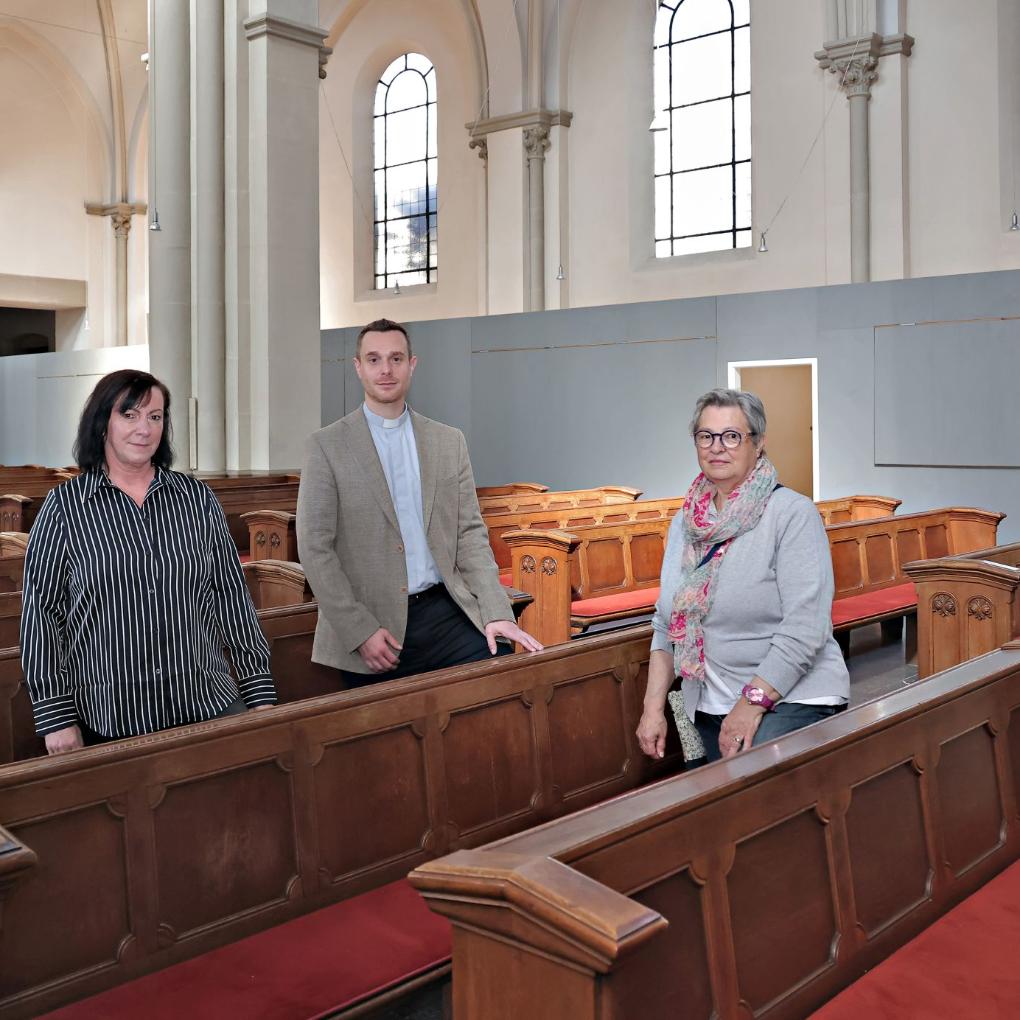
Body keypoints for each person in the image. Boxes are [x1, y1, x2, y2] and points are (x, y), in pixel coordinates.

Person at [20, 370, 277, 755]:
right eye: (130, 415)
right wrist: (55, 716)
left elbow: (231, 597)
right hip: (109, 717)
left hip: (206, 702)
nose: (144, 428)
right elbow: (42, 613)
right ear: (102, 423)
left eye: (155, 417)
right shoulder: (64, 508)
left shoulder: (196, 499)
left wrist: (258, 690)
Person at [296, 318, 541, 685]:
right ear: (358, 367)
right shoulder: (326, 446)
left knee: (501, 685)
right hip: (374, 626)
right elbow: (315, 549)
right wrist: (358, 630)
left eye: (396, 359)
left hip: (446, 612)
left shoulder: (447, 441)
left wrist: (495, 610)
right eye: (374, 359)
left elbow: (469, 535)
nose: (386, 369)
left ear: (412, 364)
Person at [636, 388, 849, 767]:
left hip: (788, 697)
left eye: (732, 436)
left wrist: (750, 704)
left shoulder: (792, 514)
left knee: (751, 783)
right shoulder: (685, 523)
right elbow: (666, 622)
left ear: (759, 442)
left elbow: (805, 629)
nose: (717, 447)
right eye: (706, 436)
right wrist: (652, 708)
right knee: (700, 794)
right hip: (701, 701)